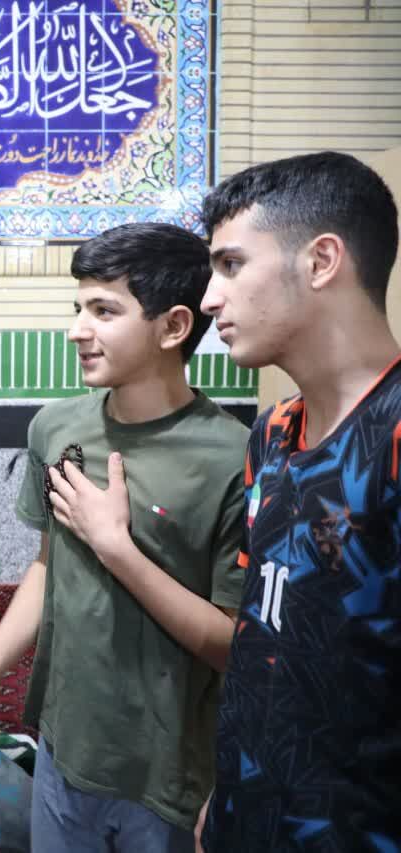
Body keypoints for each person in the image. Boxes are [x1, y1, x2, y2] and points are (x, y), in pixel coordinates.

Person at [0, 222, 249, 853]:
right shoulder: (56, 429)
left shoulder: (234, 456)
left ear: (173, 326)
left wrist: (117, 549)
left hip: (167, 775)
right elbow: (47, 567)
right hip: (64, 750)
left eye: (104, 311)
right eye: (78, 308)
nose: (77, 330)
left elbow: (232, 645)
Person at [196, 151, 401, 851]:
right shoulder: (273, 433)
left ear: (321, 261)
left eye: (231, 265)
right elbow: (267, 629)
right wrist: (230, 789)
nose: (210, 299)